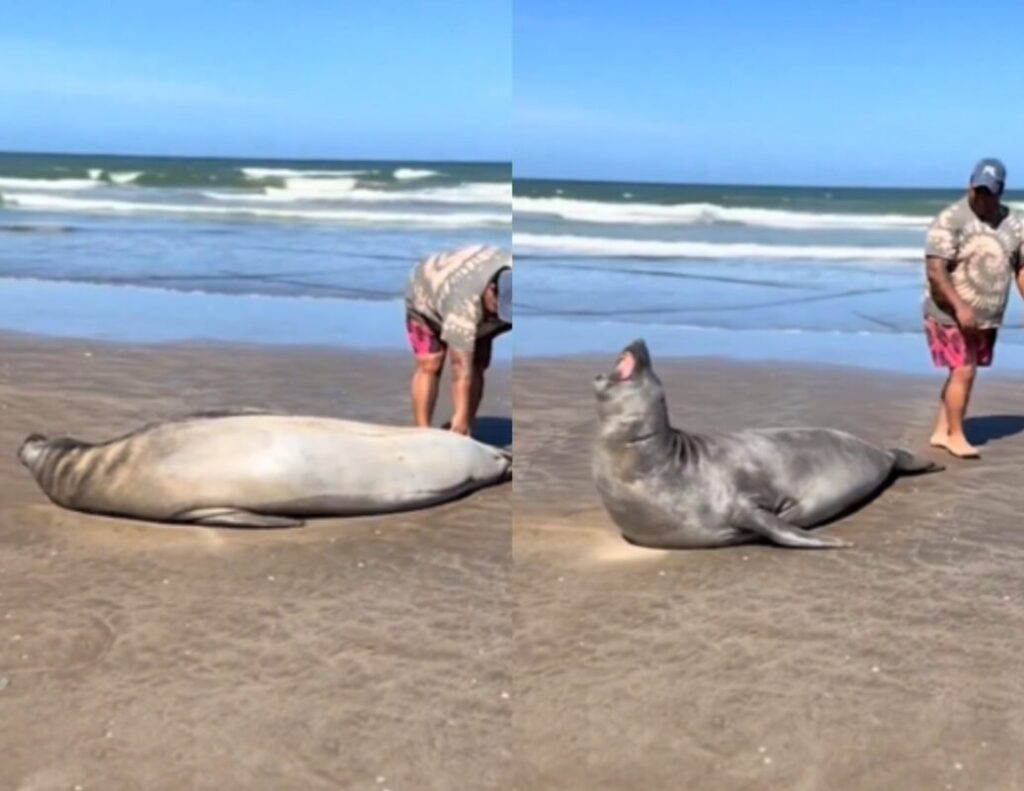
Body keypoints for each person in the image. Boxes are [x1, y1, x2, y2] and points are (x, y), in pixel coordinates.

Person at [923, 158, 1024, 459]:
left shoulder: (1014, 224)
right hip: (949, 312)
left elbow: (1020, 265)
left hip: (988, 316)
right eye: (977, 189)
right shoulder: (951, 219)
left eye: (989, 192)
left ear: (1000, 191)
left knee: (962, 372)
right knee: (963, 371)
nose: (981, 197)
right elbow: (935, 270)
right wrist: (960, 308)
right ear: (970, 184)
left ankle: (941, 431)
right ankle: (956, 435)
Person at [405, 245, 512, 435]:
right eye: (500, 307)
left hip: (478, 312)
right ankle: (421, 433)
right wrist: (459, 416)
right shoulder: (463, 302)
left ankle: (465, 429)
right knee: (431, 363)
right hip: (426, 298)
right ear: (490, 290)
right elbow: (459, 368)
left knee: (478, 363)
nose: (502, 313)